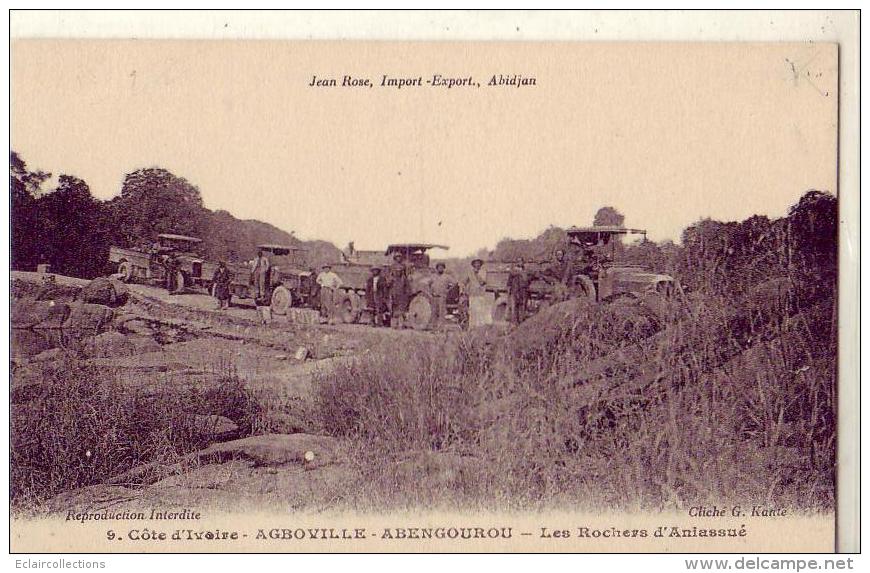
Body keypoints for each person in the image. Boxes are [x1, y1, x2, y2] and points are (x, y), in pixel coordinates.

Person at [459, 258, 488, 329]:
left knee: (480, 311)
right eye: (476, 263)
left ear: (480, 265)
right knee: (472, 311)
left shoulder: (483, 272)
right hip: (472, 295)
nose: (477, 265)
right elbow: (463, 282)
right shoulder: (470, 272)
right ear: (473, 265)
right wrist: (462, 288)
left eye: (478, 263)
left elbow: (482, 282)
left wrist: (476, 274)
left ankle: (480, 327)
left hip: (480, 295)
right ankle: (472, 327)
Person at [385, 252, 411, 329]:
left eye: (399, 257)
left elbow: (407, 287)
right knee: (393, 310)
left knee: (401, 311)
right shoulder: (392, 272)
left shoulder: (404, 279)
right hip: (394, 295)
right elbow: (388, 284)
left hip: (401, 296)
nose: (398, 272)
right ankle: (393, 325)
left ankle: (400, 324)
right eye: (397, 257)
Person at [429, 262, 453, 329]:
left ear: (444, 268)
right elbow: (428, 284)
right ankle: (434, 328)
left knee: (442, 313)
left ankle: (441, 328)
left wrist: (448, 290)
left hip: (442, 297)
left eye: (442, 267)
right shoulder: (433, 276)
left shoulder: (447, 277)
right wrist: (431, 292)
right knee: (434, 313)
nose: (440, 268)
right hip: (434, 297)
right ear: (437, 268)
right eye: (439, 267)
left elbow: (454, 283)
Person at [507, 258, 530, 325]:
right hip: (515, 291)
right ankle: (515, 322)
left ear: (523, 262)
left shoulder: (525, 271)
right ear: (517, 263)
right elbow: (509, 281)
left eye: (521, 261)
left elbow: (528, 279)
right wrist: (509, 290)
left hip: (523, 291)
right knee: (515, 307)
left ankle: (521, 321)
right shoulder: (513, 271)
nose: (520, 263)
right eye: (518, 261)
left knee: (523, 306)